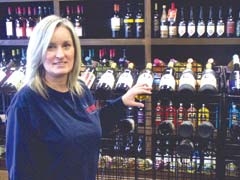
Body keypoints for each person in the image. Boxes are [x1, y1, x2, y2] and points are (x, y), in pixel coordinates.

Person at [5, 15, 152, 180]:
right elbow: (20, 172)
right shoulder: (26, 103)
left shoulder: (80, 90)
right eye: (51, 47)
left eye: (66, 45)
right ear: (38, 51)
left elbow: (90, 124)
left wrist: (122, 102)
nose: (60, 54)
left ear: (75, 49)